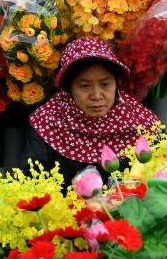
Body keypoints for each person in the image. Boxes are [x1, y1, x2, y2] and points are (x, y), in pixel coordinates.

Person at [21, 37, 159, 183]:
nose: (97, 95)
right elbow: (31, 185)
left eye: (105, 84)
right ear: (68, 88)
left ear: (116, 83)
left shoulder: (140, 122)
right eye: (85, 86)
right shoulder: (47, 122)